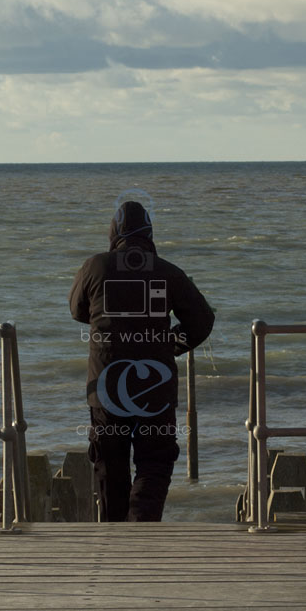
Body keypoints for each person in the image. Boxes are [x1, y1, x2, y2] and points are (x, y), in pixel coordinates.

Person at [69, 198, 214, 522]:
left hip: (106, 386)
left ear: (114, 233)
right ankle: (141, 528)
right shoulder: (169, 272)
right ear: (149, 234)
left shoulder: (94, 266)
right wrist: (169, 344)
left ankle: (114, 533)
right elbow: (203, 321)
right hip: (155, 386)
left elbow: (77, 311)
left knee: (109, 463)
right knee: (155, 461)